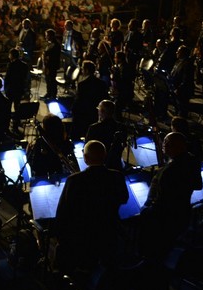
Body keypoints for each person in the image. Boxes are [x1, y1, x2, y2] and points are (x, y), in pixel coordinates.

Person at [53, 140, 129, 274]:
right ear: (104, 156)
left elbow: (63, 212)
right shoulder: (117, 176)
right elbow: (124, 198)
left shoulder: (74, 180)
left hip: (82, 237)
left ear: (86, 159)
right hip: (108, 233)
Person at [139, 132, 203, 259]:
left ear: (177, 147)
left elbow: (162, 202)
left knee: (155, 247)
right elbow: (198, 185)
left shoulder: (170, 170)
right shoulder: (191, 160)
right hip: (183, 213)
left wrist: (146, 210)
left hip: (165, 218)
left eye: (167, 143)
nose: (164, 145)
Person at [27, 113, 77, 178]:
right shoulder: (66, 142)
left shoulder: (41, 143)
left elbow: (36, 166)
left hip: (45, 179)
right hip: (65, 176)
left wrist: (28, 153)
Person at [71, 60, 109, 141]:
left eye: (82, 69)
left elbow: (78, 101)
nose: (81, 71)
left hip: (84, 114)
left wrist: (73, 110)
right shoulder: (102, 84)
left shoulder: (82, 85)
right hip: (95, 113)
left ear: (87, 70)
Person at [85, 100, 126, 171]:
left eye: (99, 110)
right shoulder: (121, 127)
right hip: (116, 165)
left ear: (102, 112)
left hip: (98, 166)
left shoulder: (94, 128)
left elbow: (88, 147)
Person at [4, 48, 31, 131]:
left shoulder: (11, 65)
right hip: (19, 88)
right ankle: (17, 122)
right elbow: (25, 78)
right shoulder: (24, 65)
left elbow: (7, 78)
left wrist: (5, 89)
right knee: (17, 106)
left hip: (11, 89)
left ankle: (7, 124)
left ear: (11, 55)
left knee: (8, 107)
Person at [169, 44, 195, 118]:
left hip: (182, 91)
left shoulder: (187, 64)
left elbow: (186, 78)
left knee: (182, 109)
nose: (176, 52)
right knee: (177, 108)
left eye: (178, 51)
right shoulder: (179, 62)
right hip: (175, 89)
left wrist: (179, 88)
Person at [42, 28, 61, 100]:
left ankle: (53, 94)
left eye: (47, 35)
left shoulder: (56, 45)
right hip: (48, 65)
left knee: (52, 80)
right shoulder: (49, 44)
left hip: (52, 65)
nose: (46, 37)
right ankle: (48, 93)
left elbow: (53, 56)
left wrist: (46, 57)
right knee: (48, 80)